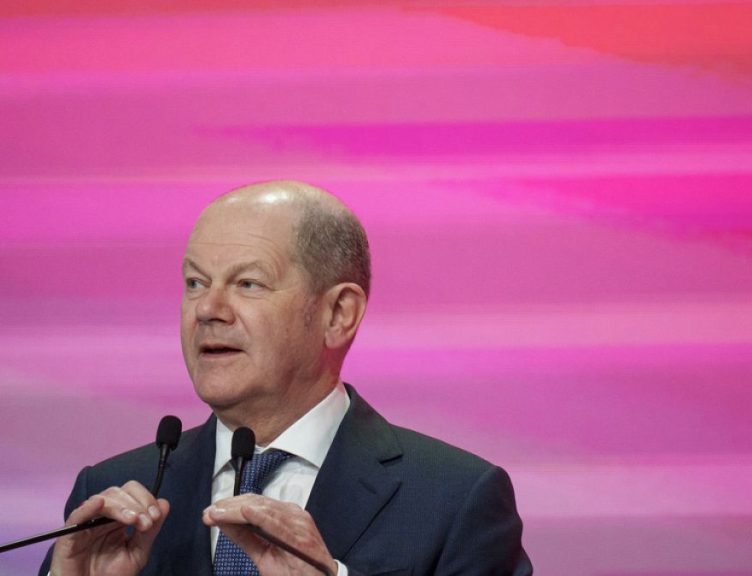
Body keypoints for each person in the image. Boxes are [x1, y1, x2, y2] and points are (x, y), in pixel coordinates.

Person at [39, 181, 532, 576]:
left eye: (248, 283)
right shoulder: (110, 493)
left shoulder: (452, 499)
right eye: (195, 283)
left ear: (338, 313)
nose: (208, 310)